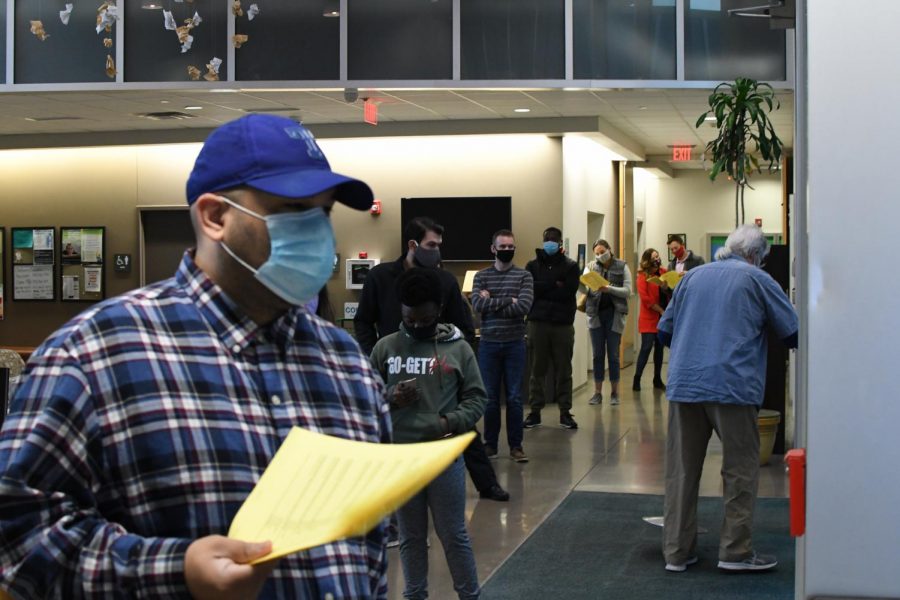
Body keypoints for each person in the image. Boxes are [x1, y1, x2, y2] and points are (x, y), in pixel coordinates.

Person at [0, 114, 391, 598]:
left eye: (324, 213)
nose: (317, 233)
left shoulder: (346, 365)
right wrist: (172, 570)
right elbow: (18, 537)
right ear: (214, 216)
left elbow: (366, 547)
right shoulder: (95, 355)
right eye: (293, 211)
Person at [657, 225, 798, 574]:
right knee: (739, 470)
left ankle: (677, 552)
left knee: (681, 472)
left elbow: (663, 331)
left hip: (685, 385)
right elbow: (793, 333)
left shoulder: (692, 277)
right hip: (732, 386)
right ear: (755, 256)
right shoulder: (758, 280)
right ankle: (734, 552)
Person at [354, 217, 509, 502]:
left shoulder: (445, 281)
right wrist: (373, 353)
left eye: (439, 245)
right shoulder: (380, 277)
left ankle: (486, 483)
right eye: (431, 244)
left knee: (459, 427)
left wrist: (453, 361)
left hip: (437, 370)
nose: (437, 250)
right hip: (395, 367)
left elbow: (462, 327)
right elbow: (363, 321)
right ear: (413, 245)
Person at [371, 267, 485, 600]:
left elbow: (477, 397)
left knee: (453, 535)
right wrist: (389, 396)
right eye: (410, 320)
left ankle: (470, 595)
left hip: (443, 457)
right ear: (401, 312)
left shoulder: (457, 348)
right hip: (401, 458)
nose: (418, 326)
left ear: (437, 310)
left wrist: (450, 422)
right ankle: (414, 596)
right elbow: (363, 397)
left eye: (425, 320)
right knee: (410, 537)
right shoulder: (385, 348)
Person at [470, 229, 534, 462]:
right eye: (502, 247)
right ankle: (491, 445)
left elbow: (524, 306)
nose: (507, 250)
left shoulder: (524, 276)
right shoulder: (481, 276)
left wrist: (492, 301)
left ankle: (516, 446)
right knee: (490, 398)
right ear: (493, 248)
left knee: (515, 398)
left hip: (515, 343)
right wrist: (508, 299)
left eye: (510, 247)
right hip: (488, 344)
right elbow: (477, 304)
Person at [523, 227, 580, 430]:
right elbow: (530, 290)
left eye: (554, 239)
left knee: (564, 369)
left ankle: (565, 412)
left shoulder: (571, 266)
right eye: (547, 239)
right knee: (537, 370)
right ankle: (535, 412)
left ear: (560, 243)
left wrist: (544, 287)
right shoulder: (531, 265)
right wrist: (553, 285)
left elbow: (567, 292)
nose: (550, 242)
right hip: (537, 324)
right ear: (543, 240)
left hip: (563, 325)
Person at [583, 239, 632, 407]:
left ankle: (614, 392)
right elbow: (582, 288)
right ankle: (597, 393)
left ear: (610, 249)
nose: (599, 255)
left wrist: (608, 288)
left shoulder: (622, 266)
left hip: (615, 315)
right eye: (596, 253)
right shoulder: (590, 266)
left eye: (602, 251)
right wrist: (585, 285)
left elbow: (627, 291)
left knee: (613, 355)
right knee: (597, 355)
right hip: (595, 314)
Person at [632, 248, 669, 392]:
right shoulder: (642, 276)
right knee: (646, 348)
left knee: (659, 349)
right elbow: (645, 298)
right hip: (649, 317)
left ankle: (657, 379)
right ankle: (637, 378)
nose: (657, 259)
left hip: (663, 318)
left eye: (658, 256)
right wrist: (660, 310)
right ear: (647, 260)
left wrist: (666, 287)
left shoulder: (664, 272)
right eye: (654, 257)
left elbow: (669, 290)